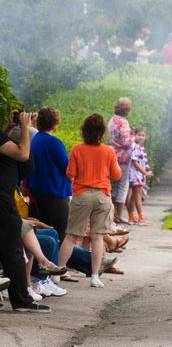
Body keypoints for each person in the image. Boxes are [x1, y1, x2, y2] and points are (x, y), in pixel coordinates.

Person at [57, 113, 121, 289]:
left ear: (84, 130)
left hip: (82, 195)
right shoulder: (108, 151)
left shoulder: (77, 149)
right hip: (102, 196)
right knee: (98, 237)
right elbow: (117, 175)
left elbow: (70, 173)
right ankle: (94, 276)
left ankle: (58, 273)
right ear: (102, 132)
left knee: (71, 236)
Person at [1, 110, 51, 312]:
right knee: (13, 252)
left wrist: (9, 128)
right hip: (3, 202)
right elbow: (22, 153)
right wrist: (23, 127)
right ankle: (22, 300)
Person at [28, 107, 73, 241]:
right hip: (55, 191)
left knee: (47, 230)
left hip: (38, 190)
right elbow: (67, 168)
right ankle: (66, 260)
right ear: (55, 123)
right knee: (63, 231)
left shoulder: (35, 139)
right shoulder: (54, 142)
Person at [127, 126, 152, 226]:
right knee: (138, 196)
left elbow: (143, 162)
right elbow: (135, 162)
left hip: (139, 175)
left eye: (143, 135)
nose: (141, 137)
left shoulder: (140, 147)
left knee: (133, 196)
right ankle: (141, 217)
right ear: (134, 135)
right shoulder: (134, 146)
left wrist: (148, 171)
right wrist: (145, 172)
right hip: (135, 175)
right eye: (139, 135)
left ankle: (132, 216)